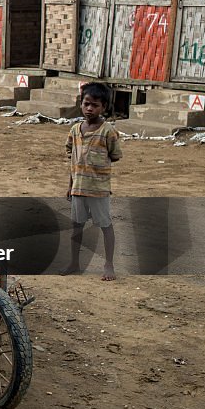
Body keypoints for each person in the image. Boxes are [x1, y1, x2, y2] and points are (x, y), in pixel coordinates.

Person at [62, 82, 123, 281]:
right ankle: (74, 262)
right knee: (77, 227)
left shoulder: (108, 131)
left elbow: (115, 155)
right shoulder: (74, 130)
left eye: (95, 105)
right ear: (81, 104)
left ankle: (109, 264)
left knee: (105, 226)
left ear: (104, 107)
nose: (89, 108)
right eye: (86, 103)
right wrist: (70, 186)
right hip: (78, 188)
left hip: (98, 190)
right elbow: (71, 157)